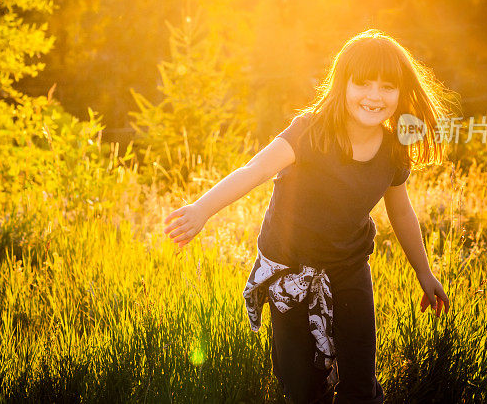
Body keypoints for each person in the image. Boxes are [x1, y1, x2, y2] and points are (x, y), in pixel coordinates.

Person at [163, 29, 455, 403]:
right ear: (342, 84)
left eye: (387, 87)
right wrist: (201, 209)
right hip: (289, 272)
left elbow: (401, 211)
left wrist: (423, 271)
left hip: (349, 268)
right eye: (363, 84)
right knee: (301, 386)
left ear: (401, 92)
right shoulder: (309, 132)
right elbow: (254, 171)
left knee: (360, 383)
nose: (374, 96)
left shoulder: (394, 148)